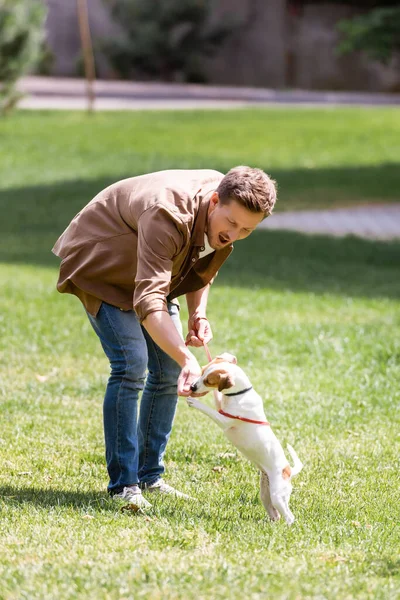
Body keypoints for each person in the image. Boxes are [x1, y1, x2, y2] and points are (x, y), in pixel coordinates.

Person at [52, 166, 277, 509]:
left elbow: (202, 265)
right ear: (215, 200)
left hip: (150, 271)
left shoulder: (223, 210)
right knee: (132, 364)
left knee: (168, 370)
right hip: (103, 262)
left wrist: (197, 314)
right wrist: (187, 358)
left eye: (247, 229)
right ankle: (124, 485)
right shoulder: (168, 214)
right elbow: (148, 299)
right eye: (231, 223)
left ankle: (149, 476)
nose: (234, 233)